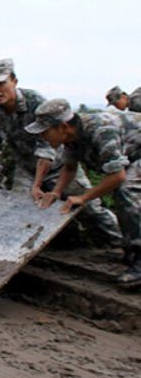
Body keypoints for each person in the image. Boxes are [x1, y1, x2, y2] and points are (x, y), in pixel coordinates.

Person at [0, 59, 123, 247]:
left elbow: (46, 150)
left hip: (58, 165)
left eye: (1, 83)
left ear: (13, 80)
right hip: (26, 168)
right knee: (19, 210)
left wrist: (38, 184)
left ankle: (122, 247)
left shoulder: (36, 103)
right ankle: (34, 253)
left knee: (89, 208)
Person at [25, 99, 141, 289]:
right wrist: (56, 192)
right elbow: (70, 167)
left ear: (62, 127)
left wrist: (83, 197)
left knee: (127, 190)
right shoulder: (72, 136)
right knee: (124, 192)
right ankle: (132, 250)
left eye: (45, 131)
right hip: (134, 155)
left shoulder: (101, 131)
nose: (43, 137)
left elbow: (117, 176)